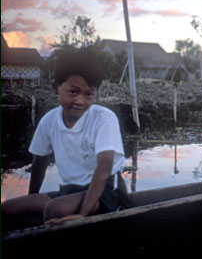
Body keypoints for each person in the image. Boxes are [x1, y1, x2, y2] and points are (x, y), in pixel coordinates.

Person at [1, 52, 127, 230]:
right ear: (55, 87)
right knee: (8, 210)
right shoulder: (49, 120)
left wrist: (82, 216)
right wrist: (32, 199)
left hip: (107, 192)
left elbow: (105, 166)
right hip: (71, 190)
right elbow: (39, 162)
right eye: (73, 92)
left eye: (88, 94)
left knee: (54, 209)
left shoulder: (103, 118)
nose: (80, 101)